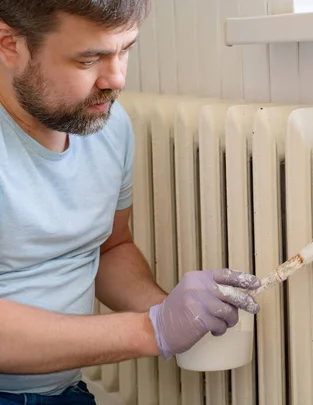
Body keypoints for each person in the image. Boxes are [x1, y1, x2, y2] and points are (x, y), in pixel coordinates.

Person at [0, 1, 262, 403]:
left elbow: (109, 248)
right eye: (89, 60)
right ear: (9, 44)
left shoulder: (107, 126)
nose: (116, 78)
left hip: (62, 391)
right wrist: (151, 329)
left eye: (126, 49)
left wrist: (173, 310)